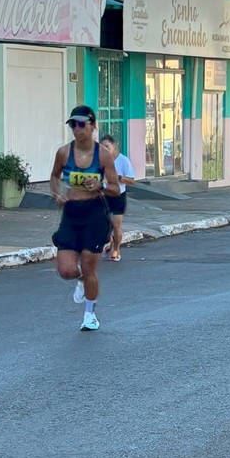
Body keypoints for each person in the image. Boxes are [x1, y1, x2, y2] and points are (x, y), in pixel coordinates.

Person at [50, 105, 120, 332]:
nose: (77, 129)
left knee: (90, 266)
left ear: (93, 125)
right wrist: (57, 192)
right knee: (66, 270)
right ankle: (80, 279)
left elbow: (116, 189)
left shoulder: (103, 155)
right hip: (71, 214)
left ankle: (90, 314)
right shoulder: (63, 153)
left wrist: (101, 185)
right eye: (73, 124)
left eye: (82, 124)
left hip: (95, 214)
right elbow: (54, 176)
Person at [99, 134, 136, 260]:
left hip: (118, 195)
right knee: (102, 224)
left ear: (114, 146)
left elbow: (131, 180)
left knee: (116, 226)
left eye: (107, 147)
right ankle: (110, 241)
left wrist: (119, 178)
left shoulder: (123, 160)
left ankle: (116, 249)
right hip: (103, 195)